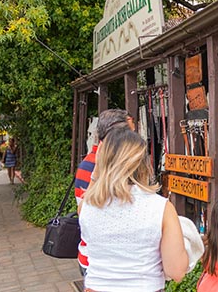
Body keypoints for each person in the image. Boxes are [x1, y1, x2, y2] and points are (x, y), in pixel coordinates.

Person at [79, 128, 189, 291]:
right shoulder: (161, 208)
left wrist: (96, 174)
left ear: (102, 161)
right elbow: (176, 271)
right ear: (143, 163)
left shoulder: (87, 205)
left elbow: (92, 194)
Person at [74, 109, 134, 275]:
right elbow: (88, 215)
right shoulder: (103, 169)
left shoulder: (87, 164)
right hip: (102, 262)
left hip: (93, 258)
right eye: (131, 134)